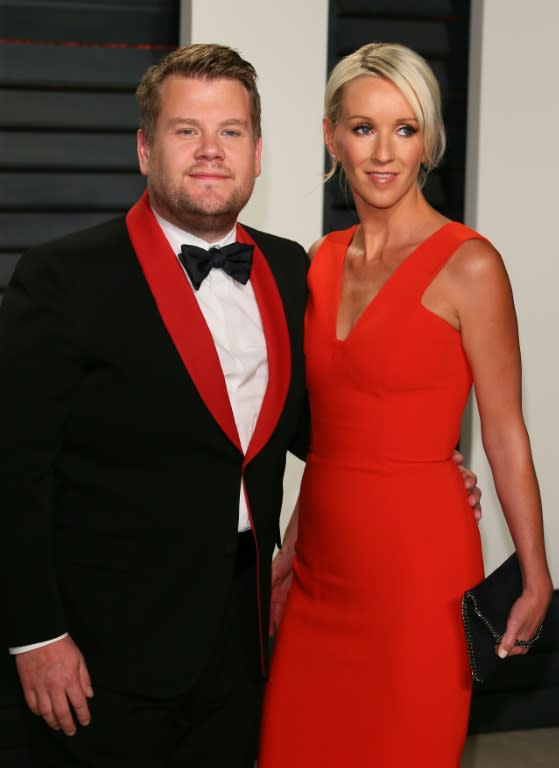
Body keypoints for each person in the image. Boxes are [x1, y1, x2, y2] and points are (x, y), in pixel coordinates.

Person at [0, 42, 481, 768]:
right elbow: (13, 472)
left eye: (229, 132)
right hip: (100, 658)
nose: (209, 152)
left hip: (244, 642)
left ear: (257, 154)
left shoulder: (292, 266)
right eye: (185, 130)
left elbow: (312, 421)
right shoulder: (62, 277)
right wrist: (36, 636)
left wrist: (420, 467)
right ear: (143, 148)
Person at [258, 42, 553, 768]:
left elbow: (506, 431)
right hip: (321, 568)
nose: (383, 152)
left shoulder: (470, 263)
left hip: (420, 570)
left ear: (429, 142)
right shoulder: (319, 260)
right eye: (362, 128)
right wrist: (291, 553)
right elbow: (330, 431)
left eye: (405, 128)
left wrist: (536, 570)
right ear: (331, 136)